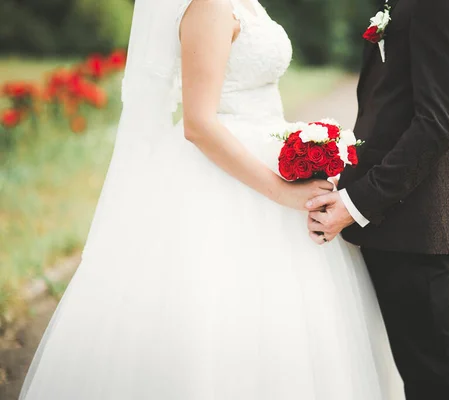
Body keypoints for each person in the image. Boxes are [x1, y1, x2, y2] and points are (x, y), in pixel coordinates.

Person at [18, 0, 406, 399]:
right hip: (222, 178)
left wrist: (301, 149)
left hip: (264, 154)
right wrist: (282, 191)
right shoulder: (208, 7)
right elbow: (199, 124)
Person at [306, 0, 449, 399]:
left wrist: (357, 203)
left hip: (412, 223)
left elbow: (437, 124)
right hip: (388, 220)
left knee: (434, 380)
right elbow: (390, 106)